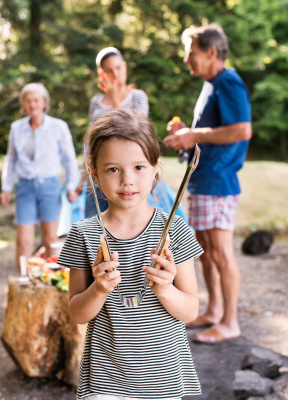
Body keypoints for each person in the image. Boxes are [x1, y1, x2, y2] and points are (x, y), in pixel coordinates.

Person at [59, 109, 203, 399]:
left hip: (162, 379)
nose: (127, 180)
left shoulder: (174, 230)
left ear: (155, 170)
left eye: (138, 167)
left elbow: (190, 310)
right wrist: (99, 290)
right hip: (106, 381)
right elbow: (76, 313)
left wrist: (165, 289)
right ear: (94, 173)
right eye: (113, 169)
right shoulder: (84, 235)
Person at [163, 23, 252, 344]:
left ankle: (230, 322)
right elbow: (215, 132)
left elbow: (242, 130)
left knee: (221, 254)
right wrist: (188, 133)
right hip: (203, 179)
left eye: (191, 54)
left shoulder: (228, 82)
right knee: (207, 254)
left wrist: (192, 135)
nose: (187, 60)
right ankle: (214, 312)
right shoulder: (210, 83)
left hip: (218, 181)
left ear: (212, 52)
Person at [1, 83, 78, 267]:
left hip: (50, 186)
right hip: (25, 187)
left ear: (44, 103)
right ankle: (24, 280)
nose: (32, 104)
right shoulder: (16, 128)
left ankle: (50, 280)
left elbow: (69, 160)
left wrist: (70, 186)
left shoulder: (58, 127)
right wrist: (6, 187)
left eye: (36, 100)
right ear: (23, 104)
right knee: (23, 239)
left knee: (51, 238)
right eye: (28, 101)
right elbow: (10, 159)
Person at [76, 47, 149, 218]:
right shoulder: (96, 102)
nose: (115, 74)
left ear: (124, 67)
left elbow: (138, 134)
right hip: (98, 174)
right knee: (95, 227)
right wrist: (82, 177)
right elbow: (90, 141)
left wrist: (115, 99)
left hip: (125, 175)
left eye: (118, 68)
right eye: (109, 70)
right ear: (101, 74)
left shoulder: (138, 97)